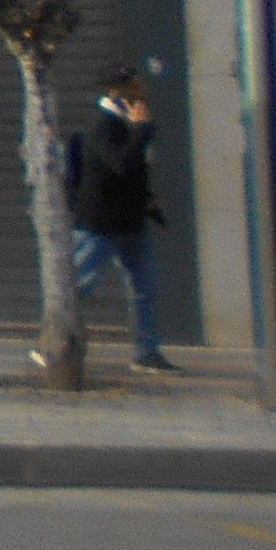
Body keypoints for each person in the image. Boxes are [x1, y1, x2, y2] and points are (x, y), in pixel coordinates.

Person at [65, 63, 173, 373]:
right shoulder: (103, 125)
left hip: (131, 220)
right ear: (118, 91)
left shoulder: (127, 120)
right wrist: (142, 132)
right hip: (101, 223)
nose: (143, 90)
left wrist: (147, 198)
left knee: (145, 287)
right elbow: (121, 164)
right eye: (136, 86)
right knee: (79, 284)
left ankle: (147, 352)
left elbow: (134, 170)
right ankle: (56, 340)